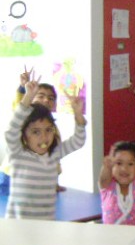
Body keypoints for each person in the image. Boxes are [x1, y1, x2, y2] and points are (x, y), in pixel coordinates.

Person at [4, 78, 86, 220]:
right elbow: (12, 129)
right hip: (18, 224)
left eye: (48, 130)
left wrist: (78, 115)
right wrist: (28, 96)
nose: (44, 137)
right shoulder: (18, 154)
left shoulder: (54, 153)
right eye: (36, 132)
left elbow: (78, 141)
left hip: (46, 224)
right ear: (24, 135)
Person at [1, 67, 65, 194]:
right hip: (11, 178)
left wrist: (55, 181)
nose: (46, 100)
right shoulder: (23, 119)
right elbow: (19, 107)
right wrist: (24, 89)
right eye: (41, 96)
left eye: (51, 98)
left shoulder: (53, 129)